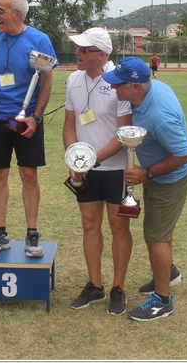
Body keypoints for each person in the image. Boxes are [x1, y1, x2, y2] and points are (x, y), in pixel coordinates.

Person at [102, 57, 187, 321]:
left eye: (118, 84)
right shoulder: (150, 90)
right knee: (160, 231)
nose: (113, 88)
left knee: (155, 236)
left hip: (171, 177)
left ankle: (163, 300)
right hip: (159, 175)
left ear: (134, 86)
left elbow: (184, 154)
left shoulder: (159, 115)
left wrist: (147, 173)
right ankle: (169, 273)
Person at [0, 0, 57, 258]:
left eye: (0, 11)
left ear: (16, 14)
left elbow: (46, 84)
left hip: (26, 121)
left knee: (28, 175)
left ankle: (32, 234)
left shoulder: (40, 40)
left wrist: (36, 117)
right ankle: (0, 232)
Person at [63, 28, 133, 315]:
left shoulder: (119, 81)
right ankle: (95, 285)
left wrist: (90, 160)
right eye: (78, 49)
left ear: (101, 55)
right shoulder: (73, 79)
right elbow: (69, 124)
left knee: (119, 227)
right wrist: (74, 159)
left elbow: (123, 133)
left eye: (83, 50)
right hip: (85, 170)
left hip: (115, 168)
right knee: (90, 225)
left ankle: (118, 287)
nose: (76, 54)